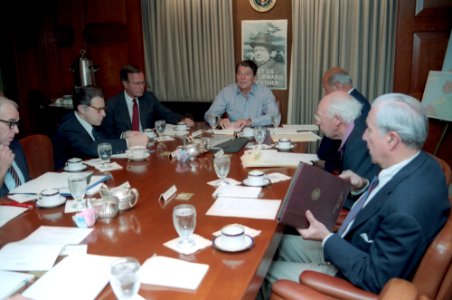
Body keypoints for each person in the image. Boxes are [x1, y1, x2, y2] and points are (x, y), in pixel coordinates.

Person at [260, 93, 450, 298]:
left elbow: (375, 278)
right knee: (266, 243)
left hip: (350, 272)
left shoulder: (406, 211)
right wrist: (363, 185)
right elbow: (385, 198)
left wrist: (326, 237)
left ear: (392, 139)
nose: (363, 136)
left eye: (369, 130)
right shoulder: (424, 165)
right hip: (351, 244)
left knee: (258, 274)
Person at [53, 86, 148, 170]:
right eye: (99, 110)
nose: (103, 114)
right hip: (70, 178)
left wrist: (124, 135)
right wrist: (129, 143)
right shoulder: (69, 127)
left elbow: (106, 138)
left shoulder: (92, 121)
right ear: (82, 109)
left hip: (94, 170)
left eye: (103, 109)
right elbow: (91, 147)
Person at [315, 90, 380, 208]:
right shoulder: (354, 132)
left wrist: (320, 197)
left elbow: (359, 198)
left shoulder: (359, 142)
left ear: (337, 120)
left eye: (319, 116)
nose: (317, 122)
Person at [101, 64, 194, 139]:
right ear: (125, 84)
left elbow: (166, 114)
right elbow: (107, 134)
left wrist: (182, 119)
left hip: (148, 144)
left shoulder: (149, 98)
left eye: (143, 82)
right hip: (125, 147)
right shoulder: (112, 104)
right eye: (137, 83)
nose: (142, 87)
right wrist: (123, 135)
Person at [318, 67, 371, 175]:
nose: (325, 93)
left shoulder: (357, 104)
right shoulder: (355, 99)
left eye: (326, 89)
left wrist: (327, 163)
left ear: (337, 86)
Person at [204, 60, 278, 130]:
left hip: (257, 134)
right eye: (239, 74)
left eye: (247, 74)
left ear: (254, 78)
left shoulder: (264, 92)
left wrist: (250, 122)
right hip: (234, 136)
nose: (242, 78)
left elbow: (274, 116)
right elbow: (208, 115)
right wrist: (219, 121)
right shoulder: (227, 92)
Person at [0, 97, 29, 197]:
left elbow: (26, 181)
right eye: (11, 123)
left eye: (17, 124)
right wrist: (2, 170)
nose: (17, 131)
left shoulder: (14, 145)